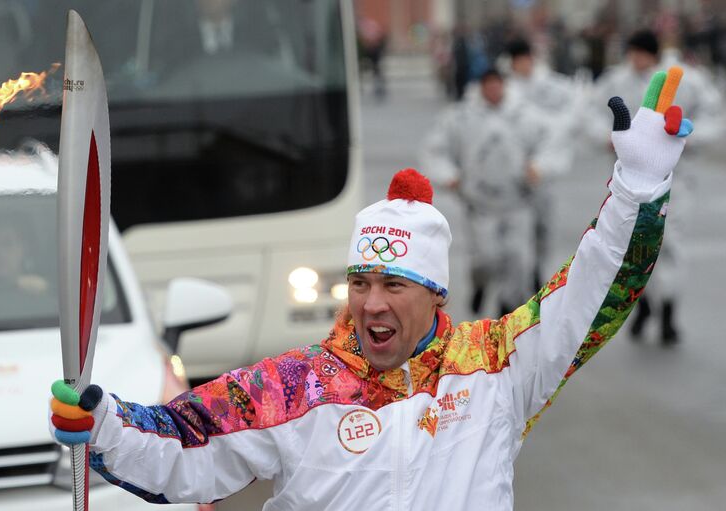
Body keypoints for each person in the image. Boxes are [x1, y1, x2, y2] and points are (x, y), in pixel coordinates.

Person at [50, 70, 691, 509]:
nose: (371, 303)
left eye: (393, 284)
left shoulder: (498, 366)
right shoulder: (295, 387)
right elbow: (183, 445)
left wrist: (638, 187)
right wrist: (102, 423)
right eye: (360, 282)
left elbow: (594, 292)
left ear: (437, 293)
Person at [590, 29, 722, 345]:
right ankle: (643, 305)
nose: (636, 60)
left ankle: (668, 311)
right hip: (629, 182)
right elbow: (588, 112)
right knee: (633, 244)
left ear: (654, 53)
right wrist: (608, 136)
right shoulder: (615, 81)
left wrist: (688, 136)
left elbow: (715, 114)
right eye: (632, 53)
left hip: (675, 178)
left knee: (670, 244)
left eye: (642, 53)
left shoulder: (685, 80)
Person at [420, 68, 554, 316]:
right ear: (481, 87)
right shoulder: (461, 116)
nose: (493, 90)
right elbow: (436, 148)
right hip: (480, 204)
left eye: (497, 84)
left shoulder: (525, 115)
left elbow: (551, 143)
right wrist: (450, 175)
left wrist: (539, 166)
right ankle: (480, 284)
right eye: (488, 85)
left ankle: (508, 306)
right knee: (486, 258)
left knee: (517, 258)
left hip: (518, 201)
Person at [504, 37, 585, 292]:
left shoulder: (553, 87)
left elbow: (568, 123)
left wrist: (543, 163)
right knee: (516, 234)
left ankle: (538, 275)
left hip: (544, 173)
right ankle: (517, 284)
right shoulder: (504, 90)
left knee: (544, 230)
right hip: (514, 178)